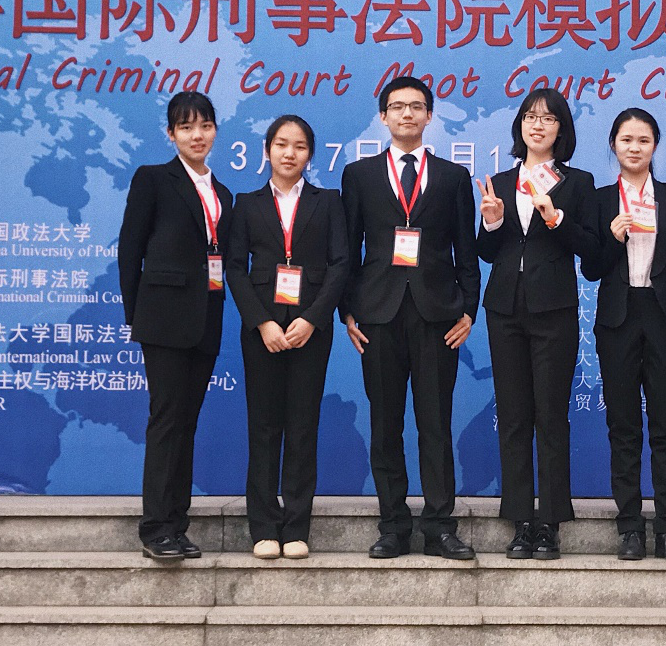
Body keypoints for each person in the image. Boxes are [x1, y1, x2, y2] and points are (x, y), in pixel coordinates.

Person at [341, 76, 481, 560]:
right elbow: (348, 250)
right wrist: (347, 310)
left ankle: (439, 527)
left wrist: (469, 309)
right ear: (383, 116)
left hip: (437, 317)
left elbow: (467, 252)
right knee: (385, 425)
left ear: (429, 115)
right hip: (377, 316)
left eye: (416, 106)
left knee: (435, 424)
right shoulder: (358, 175)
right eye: (397, 106)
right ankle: (393, 527)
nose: (407, 114)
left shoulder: (452, 177)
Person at [581, 108, 666, 562]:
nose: (634, 147)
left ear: (655, 145)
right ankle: (629, 530)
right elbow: (591, 268)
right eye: (626, 140)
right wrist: (610, 237)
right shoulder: (600, 200)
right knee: (622, 426)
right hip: (619, 320)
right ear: (614, 145)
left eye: (643, 140)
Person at [476, 88, 597, 560]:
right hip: (504, 309)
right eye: (530, 117)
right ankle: (520, 521)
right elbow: (487, 252)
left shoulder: (577, 182)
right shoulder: (501, 181)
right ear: (520, 126)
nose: (538, 125)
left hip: (554, 309)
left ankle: (550, 522)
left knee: (550, 415)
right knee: (512, 416)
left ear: (561, 128)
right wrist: (491, 223)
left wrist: (556, 218)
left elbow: (591, 248)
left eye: (548, 118)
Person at [226, 115, 348, 560]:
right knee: (263, 427)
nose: (289, 153)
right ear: (267, 151)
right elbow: (234, 267)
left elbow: (341, 264)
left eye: (299, 146)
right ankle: (263, 528)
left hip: (310, 330)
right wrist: (262, 322)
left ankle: (296, 527)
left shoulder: (328, 201)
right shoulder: (247, 203)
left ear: (310, 154)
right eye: (281, 144)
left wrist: (313, 319)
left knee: (302, 426)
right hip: (263, 331)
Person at [118, 91, 232, 562]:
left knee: (187, 423)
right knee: (166, 420)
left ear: (215, 131)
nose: (196, 135)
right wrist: (137, 316)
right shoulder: (153, 179)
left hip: (205, 321)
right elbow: (130, 250)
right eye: (186, 127)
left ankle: (177, 525)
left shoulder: (222, 192)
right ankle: (155, 528)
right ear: (171, 134)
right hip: (163, 320)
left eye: (204, 126)